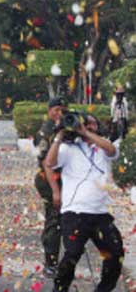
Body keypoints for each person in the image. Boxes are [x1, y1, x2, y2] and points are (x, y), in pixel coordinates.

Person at [45, 113, 125, 292]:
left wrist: (86, 133)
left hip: (100, 213)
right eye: (84, 123)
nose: (88, 126)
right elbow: (49, 163)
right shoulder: (68, 147)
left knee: (115, 253)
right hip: (75, 212)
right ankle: (60, 288)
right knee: (72, 254)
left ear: (97, 127)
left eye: (92, 124)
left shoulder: (103, 145)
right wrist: (59, 136)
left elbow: (112, 151)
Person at [33, 96, 68, 277]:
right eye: (56, 109)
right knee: (54, 220)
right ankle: (51, 262)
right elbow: (45, 163)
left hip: (67, 180)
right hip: (48, 180)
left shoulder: (68, 127)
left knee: (69, 220)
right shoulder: (45, 131)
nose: (59, 113)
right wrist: (55, 191)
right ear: (49, 111)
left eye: (62, 110)